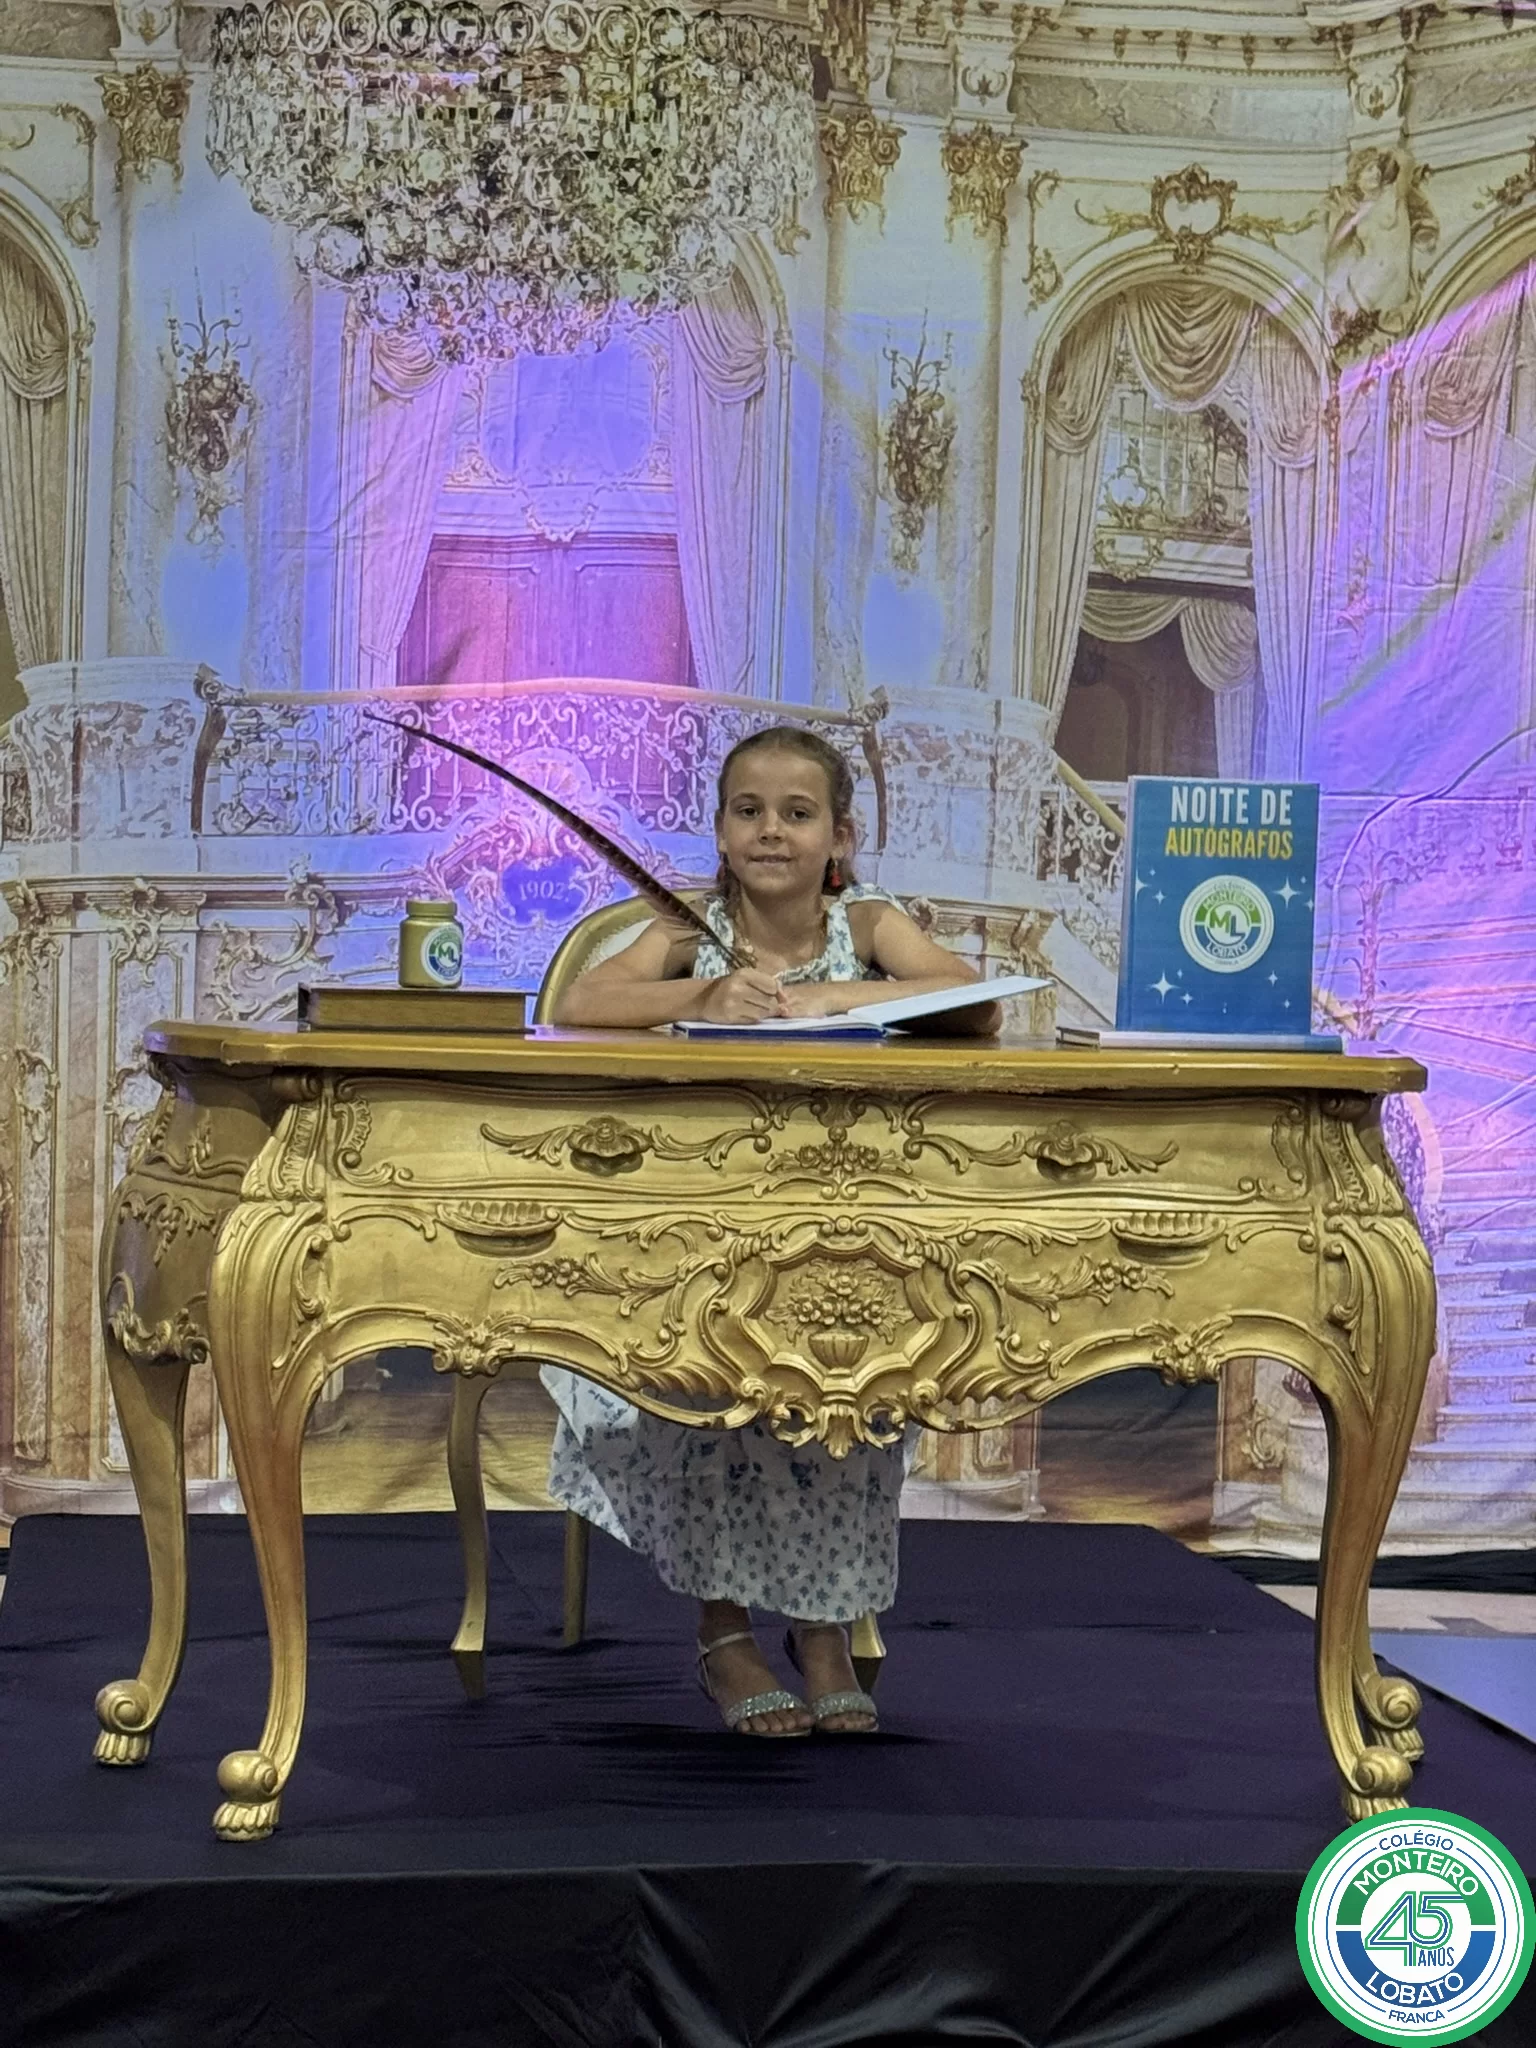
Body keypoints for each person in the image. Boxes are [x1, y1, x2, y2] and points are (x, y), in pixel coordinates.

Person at [547, 726, 1000, 1737]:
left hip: (844, 1223)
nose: (771, 831)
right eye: (748, 811)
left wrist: (835, 995)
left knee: (849, 1372)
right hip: (711, 1223)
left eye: (798, 814)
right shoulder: (688, 931)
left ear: (839, 834)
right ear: (719, 829)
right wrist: (703, 994)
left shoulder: (868, 923)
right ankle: (724, 1631)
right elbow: (582, 1000)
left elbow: (973, 1005)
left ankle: (822, 1623)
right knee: (715, 1371)